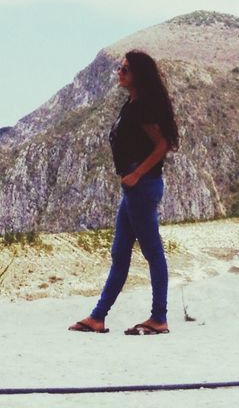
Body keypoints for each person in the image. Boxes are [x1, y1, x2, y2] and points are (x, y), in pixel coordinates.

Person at [69, 49, 180, 336]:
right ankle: (98, 317)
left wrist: (137, 173)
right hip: (134, 187)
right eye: (120, 67)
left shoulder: (142, 107)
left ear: (138, 76)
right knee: (120, 253)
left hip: (142, 186)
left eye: (126, 69)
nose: (120, 72)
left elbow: (163, 144)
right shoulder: (131, 105)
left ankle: (159, 317)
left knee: (153, 251)